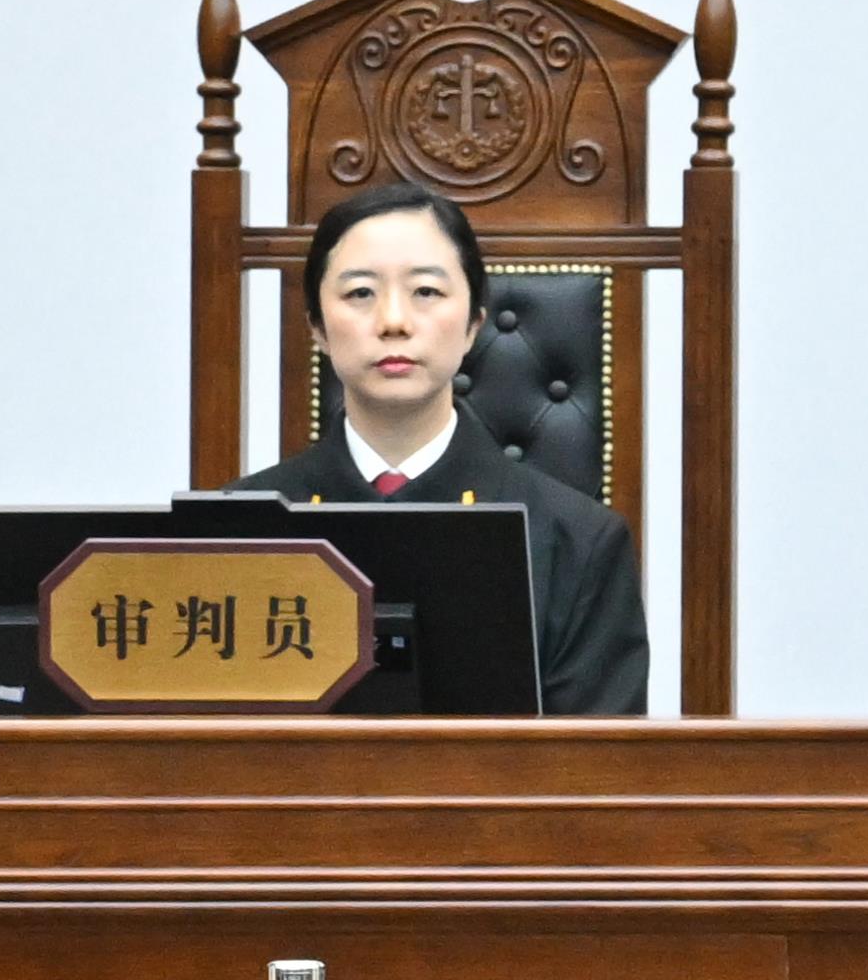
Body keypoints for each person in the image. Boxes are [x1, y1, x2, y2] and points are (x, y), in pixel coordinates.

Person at [242, 182, 651, 716]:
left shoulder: (581, 542)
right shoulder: (235, 528)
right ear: (317, 327)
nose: (393, 321)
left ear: (474, 323)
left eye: (426, 292)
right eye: (360, 293)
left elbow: (597, 762)